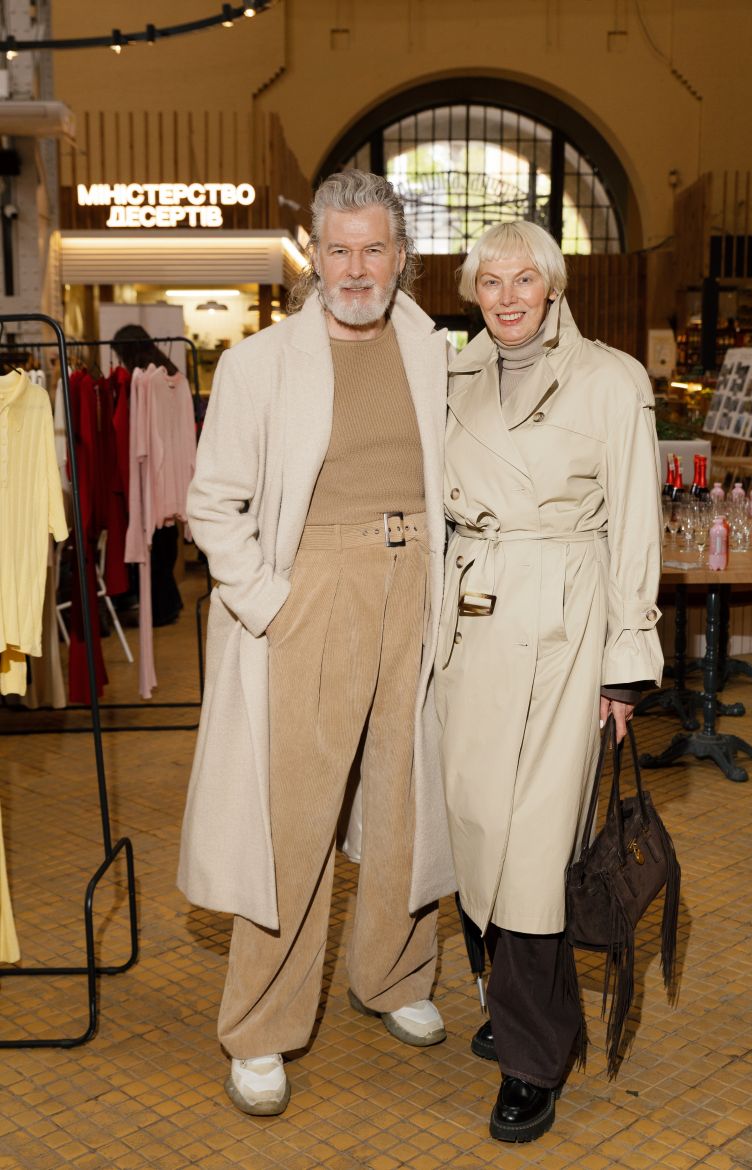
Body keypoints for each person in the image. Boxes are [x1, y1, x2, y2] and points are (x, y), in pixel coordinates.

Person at [178, 170, 456, 1116]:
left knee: (408, 799)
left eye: (374, 248)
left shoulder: (434, 350)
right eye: (339, 249)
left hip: (417, 584)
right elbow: (213, 503)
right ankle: (260, 1027)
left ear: (402, 257)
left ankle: (394, 975)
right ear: (314, 257)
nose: (357, 268)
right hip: (314, 591)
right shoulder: (259, 363)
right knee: (293, 820)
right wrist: (268, 601)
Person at [435, 220, 664, 1143]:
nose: (507, 297)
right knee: (475, 832)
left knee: (533, 850)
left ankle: (533, 1057)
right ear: (473, 293)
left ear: (555, 286)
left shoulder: (611, 379)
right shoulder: (451, 377)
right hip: (467, 627)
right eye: (490, 281)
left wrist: (626, 666)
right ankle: (519, 1005)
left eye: (524, 278)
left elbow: (636, 524)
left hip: (565, 627)